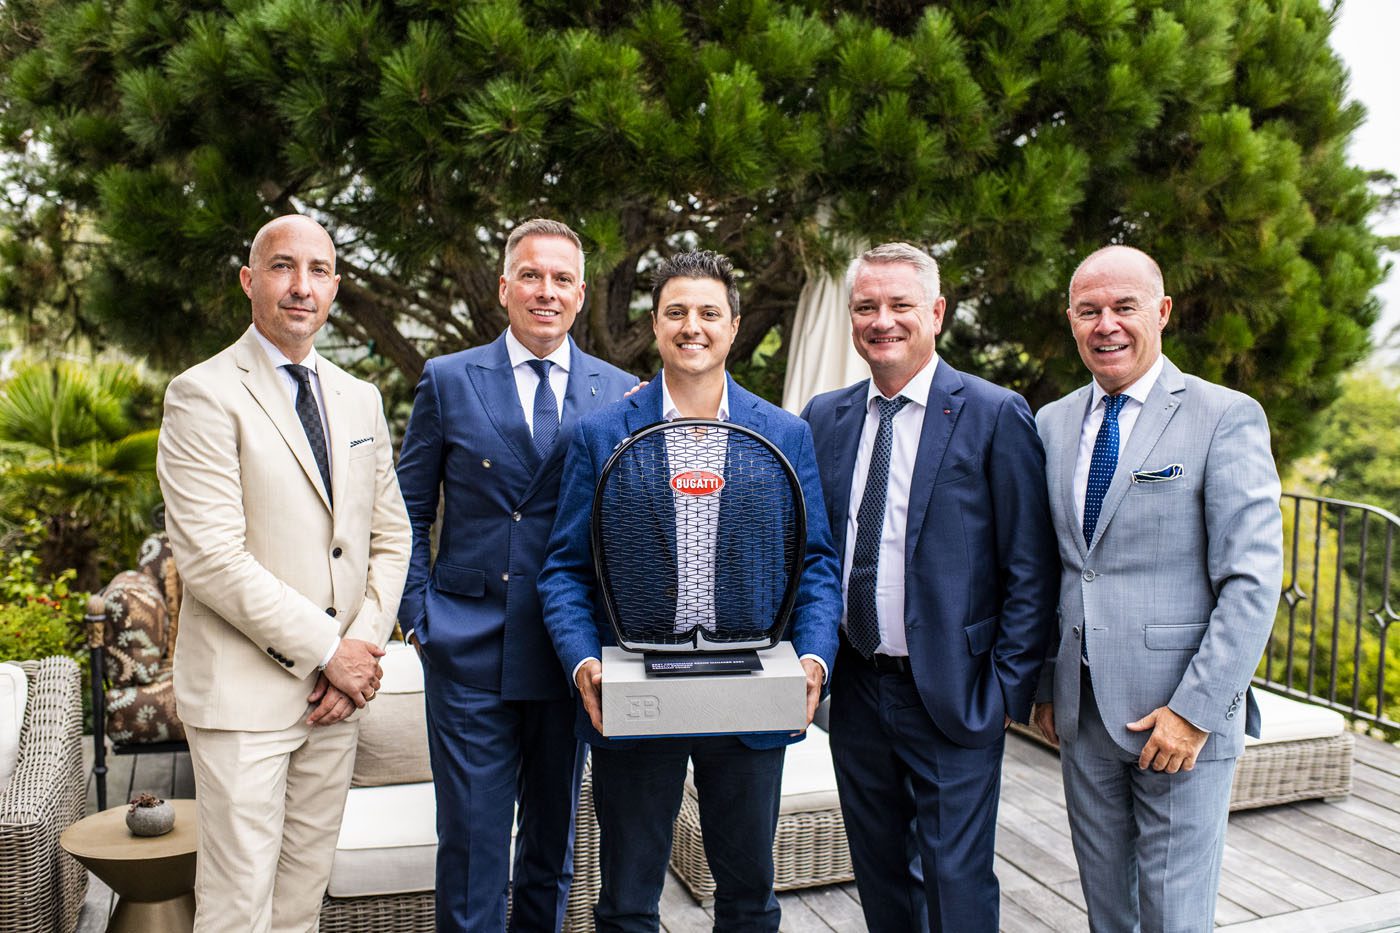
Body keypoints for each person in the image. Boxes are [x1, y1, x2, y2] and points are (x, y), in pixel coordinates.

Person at [538, 249, 842, 932]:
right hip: (637, 688)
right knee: (625, 903)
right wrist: (585, 662)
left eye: (709, 312)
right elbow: (563, 568)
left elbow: (817, 562)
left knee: (749, 899)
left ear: (734, 327)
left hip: (750, 692)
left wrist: (814, 660)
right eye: (677, 311)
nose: (692, 325)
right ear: (656, 324)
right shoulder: (599, 435)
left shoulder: (785, 435)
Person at [156, 214, 411, 932]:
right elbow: (211, 557)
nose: (302, 286)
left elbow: (391, 537)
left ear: (334, 286)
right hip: (245, 702)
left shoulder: (360, 397)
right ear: (249, 280)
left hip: (336, 702)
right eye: (282, 267)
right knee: (238, 909)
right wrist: (329, 652)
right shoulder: (201, 393)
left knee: (301, 903)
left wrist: (355, 655)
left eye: (319, 270)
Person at [801, 242, 1058, 932]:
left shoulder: (994, 413)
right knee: (880, 872)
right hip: (855, 691)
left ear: (937, 312)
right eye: (865, 306)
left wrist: (1006, 687)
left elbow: (1029, 567)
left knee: (955, 879)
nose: (881, 319)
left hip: (954, 690)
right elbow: (814, 551)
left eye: (899, 305)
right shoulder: (824, 416)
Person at [395, 218, 638, 931]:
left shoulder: (620, 392)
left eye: (562, 278)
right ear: (504, 287)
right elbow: (407, 507)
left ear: (581, 294)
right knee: (471, 849)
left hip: (570, 656)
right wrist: (418, 617)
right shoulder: (447, 379)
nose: (546, 290)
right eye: (531, 275)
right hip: (466, 649)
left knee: (550, 852)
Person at [1031, 244, 1283, 931]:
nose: (1105, 324)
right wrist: (1048, 686)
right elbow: (1055, 565)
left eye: (1123, 307)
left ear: (1162, 312)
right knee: (1108, 910)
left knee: (1176, 917)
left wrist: (1197, 710)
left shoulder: (1224, 416)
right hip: (1082, 718)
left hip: (1178, 720)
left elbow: (1253, 580)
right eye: (1089, 310)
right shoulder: (1050, 424)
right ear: (1072, 320)